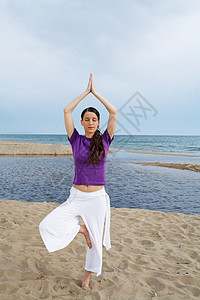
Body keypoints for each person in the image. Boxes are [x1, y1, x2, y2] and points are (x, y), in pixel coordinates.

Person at [39, 73, 117, 288]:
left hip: (97, 199)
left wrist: (96, 93)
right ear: (82, 122)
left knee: (96, 246)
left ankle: (87, 277)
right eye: (87, 119)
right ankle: (80, 229)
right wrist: (85, 93)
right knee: (47, 225)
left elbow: (114, 111)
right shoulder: (75, 139)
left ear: (98, 122)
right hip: (76, 196)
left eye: (94, 120)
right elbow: (66, 110)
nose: (90, 122)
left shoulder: (105, 141)